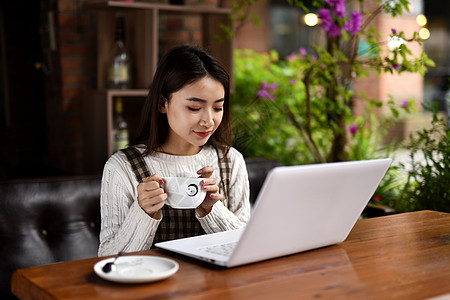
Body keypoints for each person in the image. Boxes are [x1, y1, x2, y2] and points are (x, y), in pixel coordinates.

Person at [98, 45, 251, 256]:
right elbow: (107, 258)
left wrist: (212, 209)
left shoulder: (230, 161)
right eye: (194, 108)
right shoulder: (123, 167)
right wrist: (142, 212)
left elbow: (248, 247)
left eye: (217, 107)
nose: (208, 121)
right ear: (163, 103)